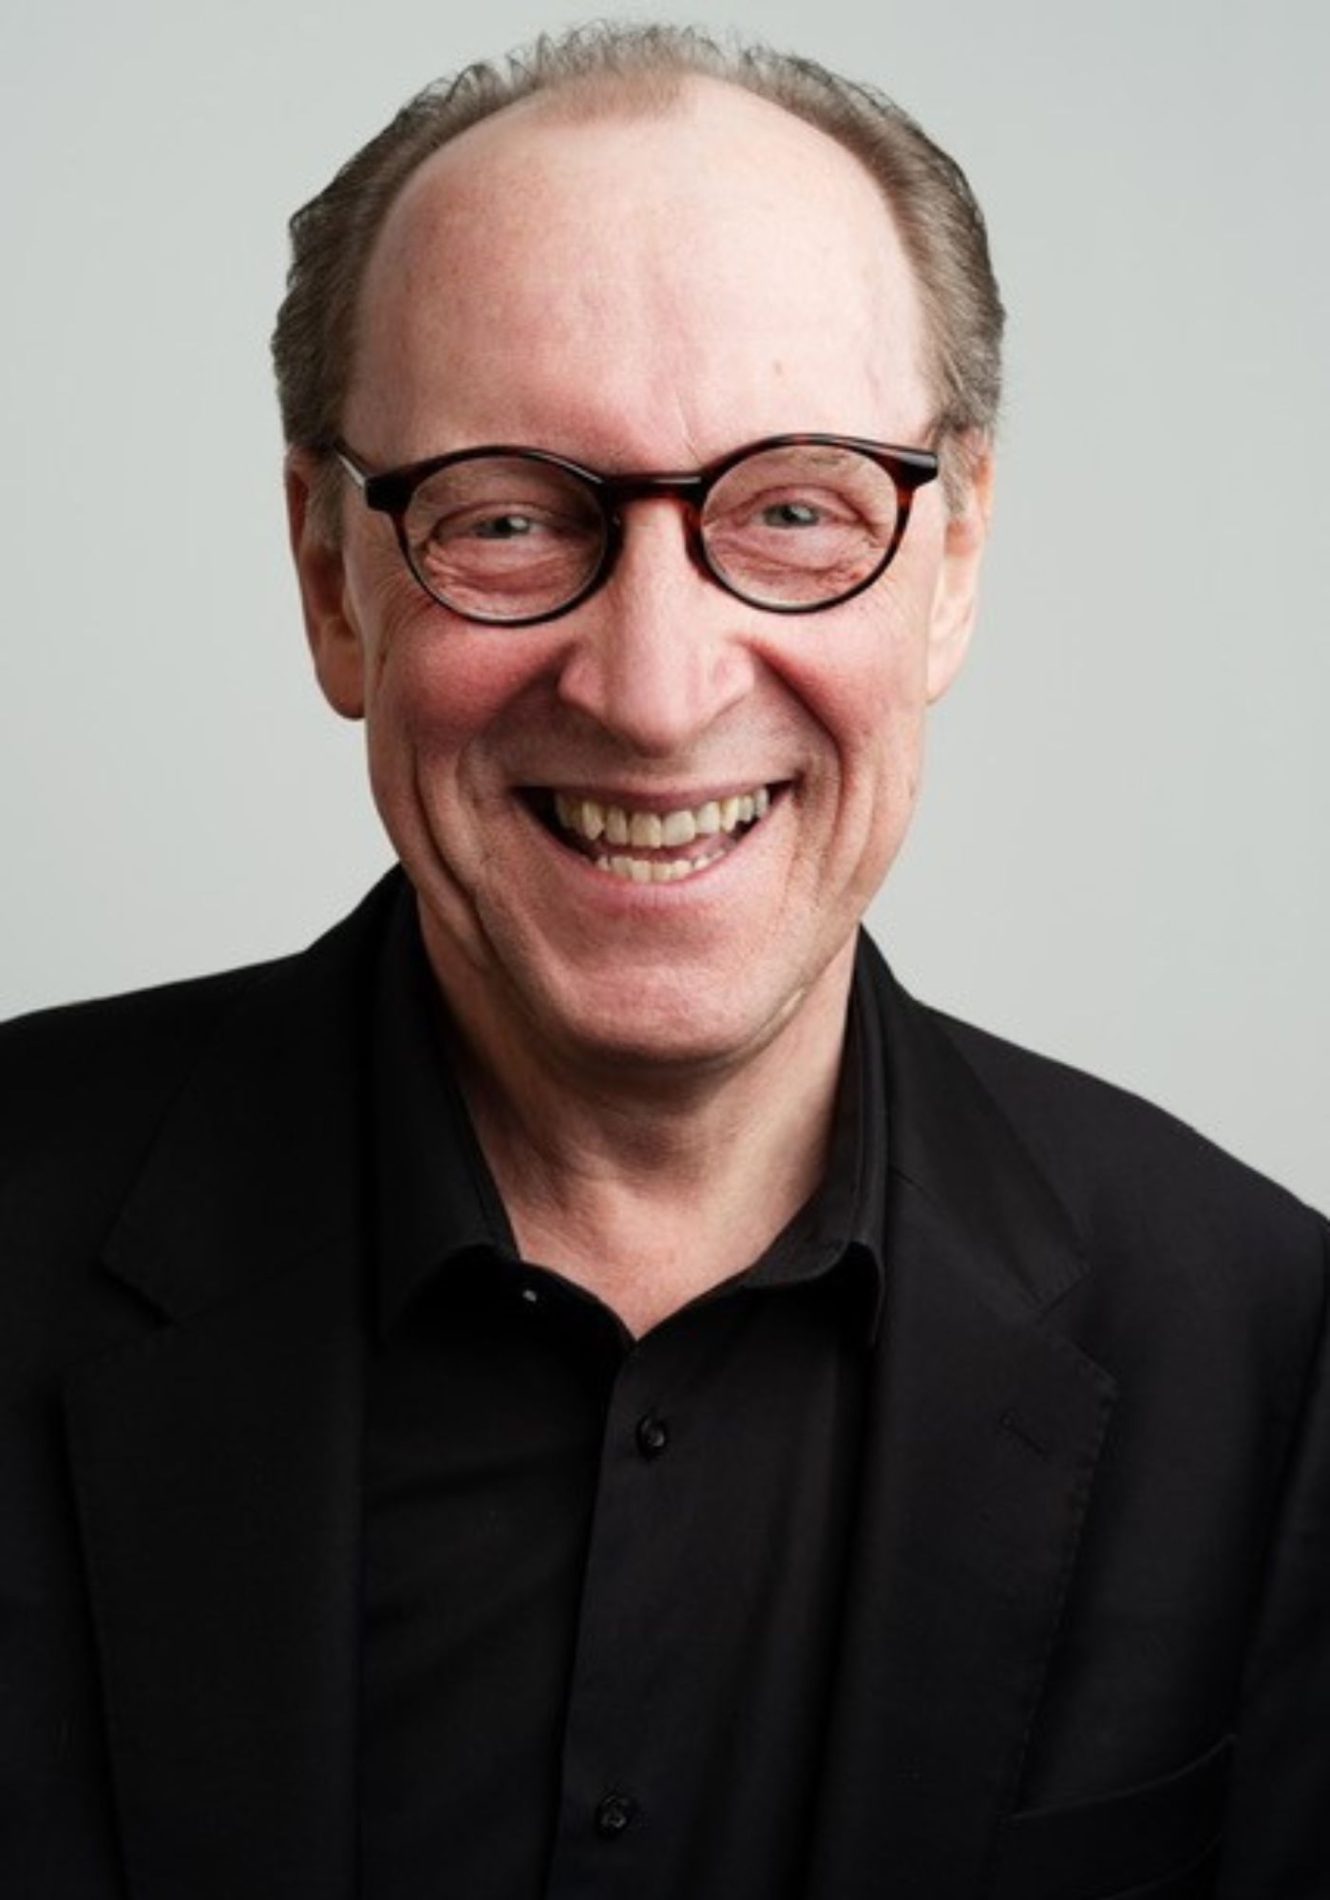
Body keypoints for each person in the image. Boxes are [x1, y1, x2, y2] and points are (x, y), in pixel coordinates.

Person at [1, 22, 1325, 1900]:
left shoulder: (1272, 1366)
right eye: (511, 517)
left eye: (793, 509)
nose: (650, 687)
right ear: (328, 579)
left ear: (950, 562)